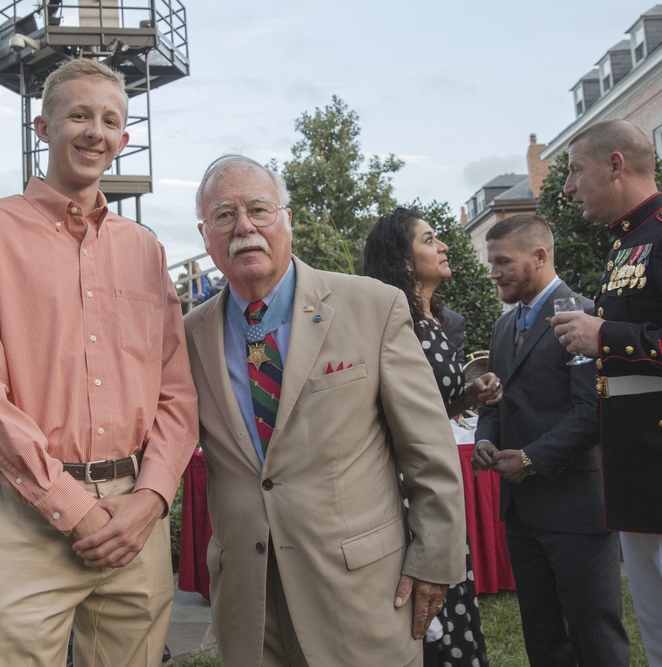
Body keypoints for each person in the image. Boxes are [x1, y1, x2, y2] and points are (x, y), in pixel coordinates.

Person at [0, 58, 198, 667]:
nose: (94, 132)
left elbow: (177, 392)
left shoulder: (145, 250)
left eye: (110, 120)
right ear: (43, 127)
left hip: (136, 514)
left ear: (124, 140)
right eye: (78, 115)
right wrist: (73, 509)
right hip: (31, 515)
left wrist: (153, 496)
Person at [183, 154, 466, 666]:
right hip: (249, 604)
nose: (243, 226)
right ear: (206, 234)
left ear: (286, 218)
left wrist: (434, 560)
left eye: (258, 209)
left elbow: (428, 449)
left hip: (358, 594)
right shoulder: (188, 336)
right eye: (224, 215)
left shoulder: (373, 307)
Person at [473, 214, 629, 666]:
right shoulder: (504, 327)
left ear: (539, 257)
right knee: (542, 635)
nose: (493, 272)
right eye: (491, 261)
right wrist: (486, 439)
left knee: (594, 632)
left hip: (576, 506)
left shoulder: (584, 314)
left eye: (503, 262)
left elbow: (593, 411)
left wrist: (531, 458)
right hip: (521, 511)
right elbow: (495, 402)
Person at [364, 207, 503, 667]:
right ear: (402, 261)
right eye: (429, 240)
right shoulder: (393, 323)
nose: (443, 246)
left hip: (436, 482)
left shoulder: (436, 321)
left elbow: (430, 406)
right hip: (408, 489)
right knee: (423, 615)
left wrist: (467, 395)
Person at [551, 118, 662, 666]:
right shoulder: (625, 245)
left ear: (616, 164)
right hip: (637, 477)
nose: (567, 187)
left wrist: (606, 336)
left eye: (574, 170)